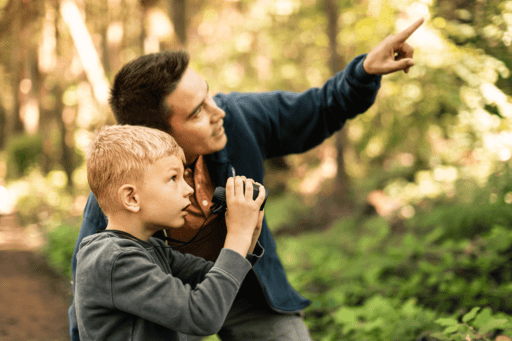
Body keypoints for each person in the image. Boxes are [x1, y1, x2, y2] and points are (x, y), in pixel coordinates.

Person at [70, 18, 424, 340]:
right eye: (197, 112)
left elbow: (318, 108)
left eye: (208, 94)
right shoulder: (117, 192)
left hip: (241, 284)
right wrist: (238, 235)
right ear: (156, 133)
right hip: (171, 302)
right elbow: (88, 295)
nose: (218, 111)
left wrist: (362, 72)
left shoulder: (238, 117)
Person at [74, 124, 266, 341]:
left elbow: (217, 280)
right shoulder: (113, 259)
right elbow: (202, 315)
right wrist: (237, 236)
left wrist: (249, 235)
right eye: (174, 178)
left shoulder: (152, 249)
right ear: (131, 198)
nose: (189, 189)